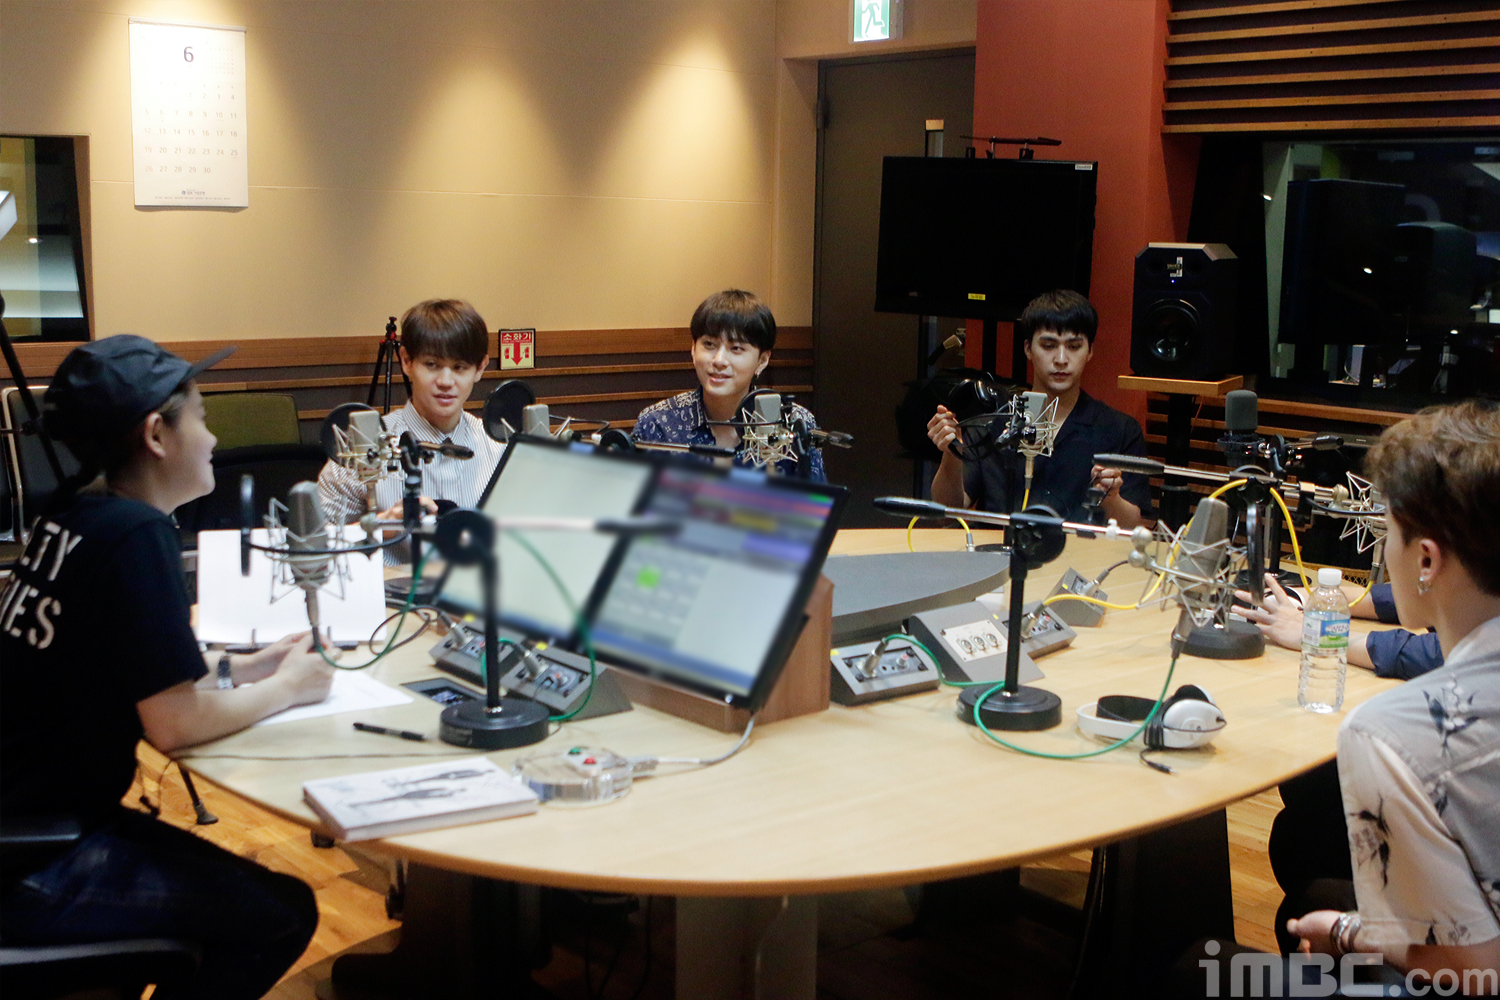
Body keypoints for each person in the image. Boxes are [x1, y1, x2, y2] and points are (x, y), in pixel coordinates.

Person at [0, 335, 334, 999]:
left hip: (27, 825)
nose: (213, 439)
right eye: (202, 418)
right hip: (35, 863)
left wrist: (252, 667)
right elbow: (174, 724)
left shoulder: (73, 514)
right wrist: (290, 687)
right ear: (157, 434)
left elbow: (132, 661)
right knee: (281, 916)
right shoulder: (135, 534)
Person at [1170, 400, 1500, 996]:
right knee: (1315, 885)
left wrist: (1348, 934)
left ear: (1426, 559)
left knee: (1198, 969)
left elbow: (1478, 971)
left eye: (1389, 532)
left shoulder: (1390, 733)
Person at [926, 290, 1150, 527]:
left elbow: (1133, 527)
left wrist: (1111, 499)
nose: (1061, 359)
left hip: (1079, 550)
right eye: (1048, 345)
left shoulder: (1119, 430)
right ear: (1028, 349)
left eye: (1074, 346)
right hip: (1000, 547)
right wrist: (951, 453)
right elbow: (947, 513)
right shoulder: (994, 422)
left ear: (1090, 352)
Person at [318, 299, 503, 546]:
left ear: (480, 368)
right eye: (432, 365)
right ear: (406, 361)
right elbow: (313, 543)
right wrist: (381, 526)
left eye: (460, 367)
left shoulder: (498, 448)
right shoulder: (362, 447)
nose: (446, 381)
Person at [633, 289, 825, 481]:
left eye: (736, 348)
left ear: (762, 360)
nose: (719, 360)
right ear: (693, 349)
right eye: (709, 344)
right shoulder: (658, 422)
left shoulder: (795, 422)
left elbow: (815, 495)